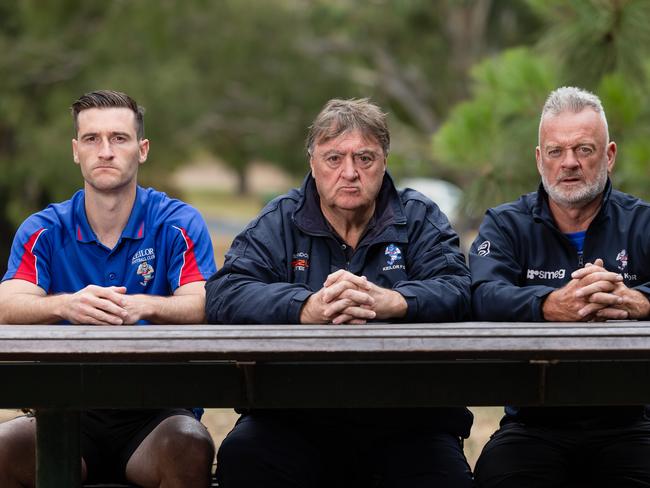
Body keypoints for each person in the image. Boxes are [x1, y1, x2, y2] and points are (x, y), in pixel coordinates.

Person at [206, 98, 474, 487]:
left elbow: (459, 288)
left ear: (384, 161)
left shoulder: (419, 217)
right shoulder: (280, 219)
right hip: (291, 419)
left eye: (364, 159)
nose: (349, 173)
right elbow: (224, 293)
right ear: (312, 163)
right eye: (334, 159)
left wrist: (393, 302)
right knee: (243, 459)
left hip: (409, 420)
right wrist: (306, 306)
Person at [0, 90, 217, 487]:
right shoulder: (44, 229)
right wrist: (67, 305)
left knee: (189, 446)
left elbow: (204, 301)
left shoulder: (177, 222)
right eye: (91, 139)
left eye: (119, 138)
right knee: (4, 447)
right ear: (75, 151)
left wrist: (141, 307)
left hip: (157, 413)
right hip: (65, 409)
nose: (105, 151)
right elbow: (7, 302)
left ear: (142, 149)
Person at [470, 86, 650, 487]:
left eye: (584, 150)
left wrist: (636, 300)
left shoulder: (642, 223)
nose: (569, 163)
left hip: (631, 422)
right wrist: (550, 304)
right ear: (539, 159)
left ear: (610, 155)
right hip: (534, 423)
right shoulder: (505, 225)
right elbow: (482, 294)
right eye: (555, 151)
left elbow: (638, 299)